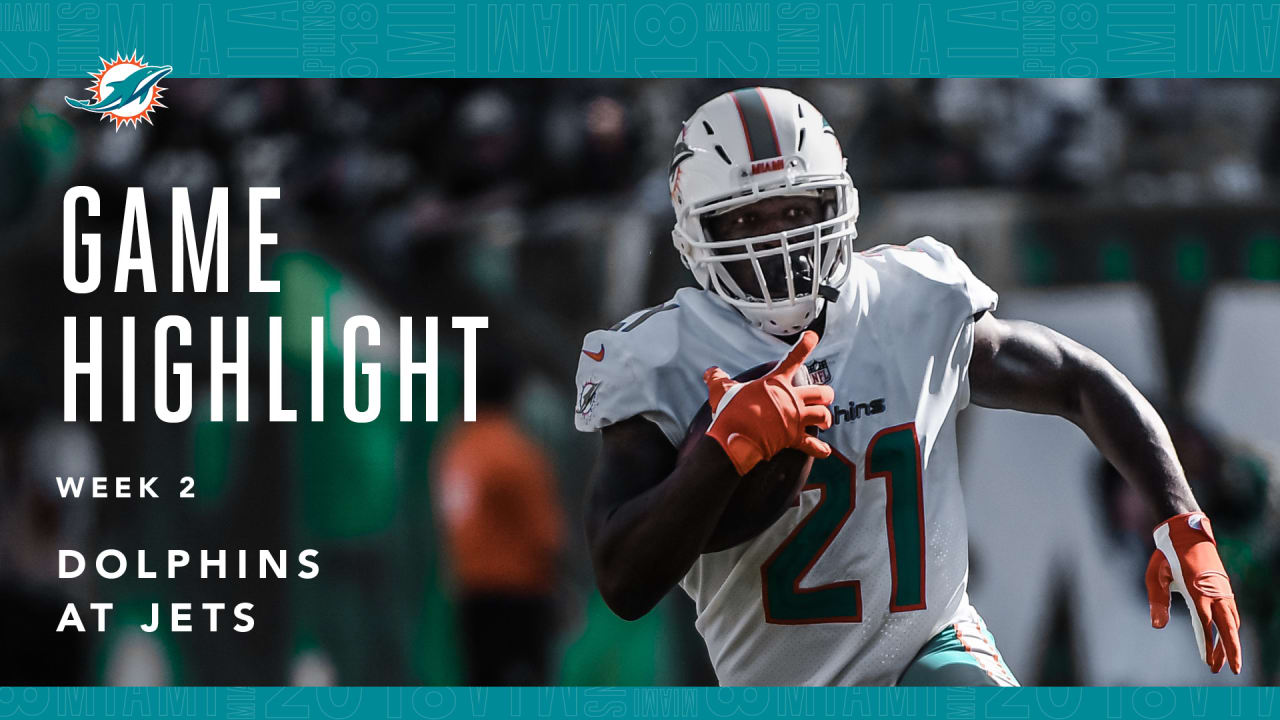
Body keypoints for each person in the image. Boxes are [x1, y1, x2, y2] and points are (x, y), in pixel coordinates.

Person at [573, 86, 1243, 686]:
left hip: (934, 650)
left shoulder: (907, 300)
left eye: (796, 210)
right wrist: (719, 458)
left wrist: (1182, 518)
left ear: (839, 202)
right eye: (746, 220)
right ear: (697, 232)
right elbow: (623, 579)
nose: (777, 242)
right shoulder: (661, 357)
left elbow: (1075, 378)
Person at [435, 353, 565, 685]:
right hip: (519, 594)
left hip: (470, 592)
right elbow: (545, 535)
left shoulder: (456, 448)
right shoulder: (515, 451)